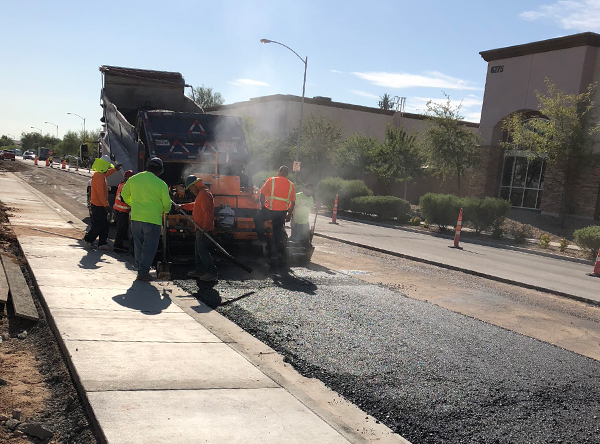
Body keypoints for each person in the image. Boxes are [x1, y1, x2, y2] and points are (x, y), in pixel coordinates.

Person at [120, 158, 171, 281]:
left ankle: (140, 268)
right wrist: (165, 210)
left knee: (139, 245)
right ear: (159, 171)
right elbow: (167, 205)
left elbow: (124, 194)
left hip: (136, 219)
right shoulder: (161, 184)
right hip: (152, 220)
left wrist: (133, 203)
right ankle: (143, 273)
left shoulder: (133, 179)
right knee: (149, 248)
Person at [180, 175, 218, 281]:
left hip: (203, 229)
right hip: (200, 228)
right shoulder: (201, 194)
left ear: (195, 185)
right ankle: (199, 270)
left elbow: (207, 212)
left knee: (202, 250)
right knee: (198, 249)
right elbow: (195, 205)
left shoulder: (204, 194)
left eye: (191, 188)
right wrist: (182, 206)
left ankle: (212, 272)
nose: (191, 191)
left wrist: (205, 227)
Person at [253, 166, 296, 258]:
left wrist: (262, 206)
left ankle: (262, 239)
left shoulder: (271, 181)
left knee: (257, 218)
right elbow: (293, 202)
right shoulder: (291, 185)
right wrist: (289, 214)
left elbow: (262, 194)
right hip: (282, 213)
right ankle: (275, 254)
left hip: (270, 211)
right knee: (277, 232)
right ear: (287, 174)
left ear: (279, 172)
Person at [83, 155, 121, 250]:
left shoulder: (99, 174)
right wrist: (106, 206)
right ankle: (88, 239)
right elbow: (101, 194)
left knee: (104, 225)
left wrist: (115, 169)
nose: (108, 168)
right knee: (99, 225)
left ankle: (102, 243)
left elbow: (106, 174)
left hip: (97, 204)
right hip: (98, 205)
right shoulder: (99, 177)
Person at [112, 169, 134, 253]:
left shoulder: (122, 185)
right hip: (121, 211)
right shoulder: (125, 187)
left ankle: (120, 243)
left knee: (122, 228)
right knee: (121, 229)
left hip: (120, 210)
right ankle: (117, 246)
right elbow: (124, 199)